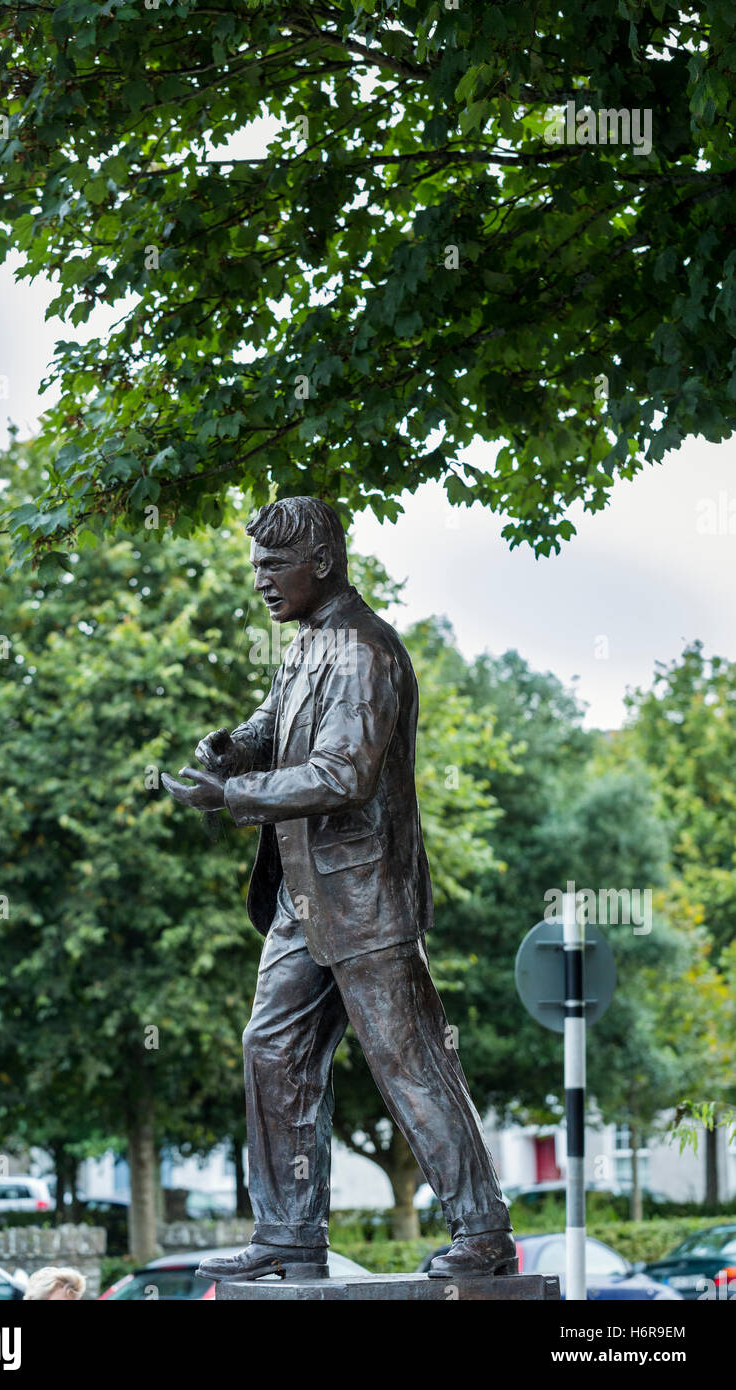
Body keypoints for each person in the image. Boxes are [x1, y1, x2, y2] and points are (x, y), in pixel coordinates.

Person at [162, 497, 515, 1282]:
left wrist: (233, 800)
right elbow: (274, 725)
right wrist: (230, 749)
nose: (259, 582)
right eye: (253, 566)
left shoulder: (364, 651)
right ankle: (289, 1233)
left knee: (408, 1060)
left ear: (320, 564)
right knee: (272, 1047)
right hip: (304, 896)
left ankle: (483, 1233)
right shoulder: (307, 645)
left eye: (270, 566)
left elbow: (342, 773)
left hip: (364, 896)